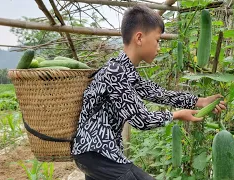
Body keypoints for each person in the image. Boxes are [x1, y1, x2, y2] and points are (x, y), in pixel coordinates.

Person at [71, 4, 226, 180]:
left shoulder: (124, 70)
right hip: (98, 153)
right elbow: (141, 120)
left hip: (95, 155)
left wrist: (200, 101)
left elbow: (159, 94)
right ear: (139, 38)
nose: (159, 46)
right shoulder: (115, 72)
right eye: (157, 40)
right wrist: (176, 115)